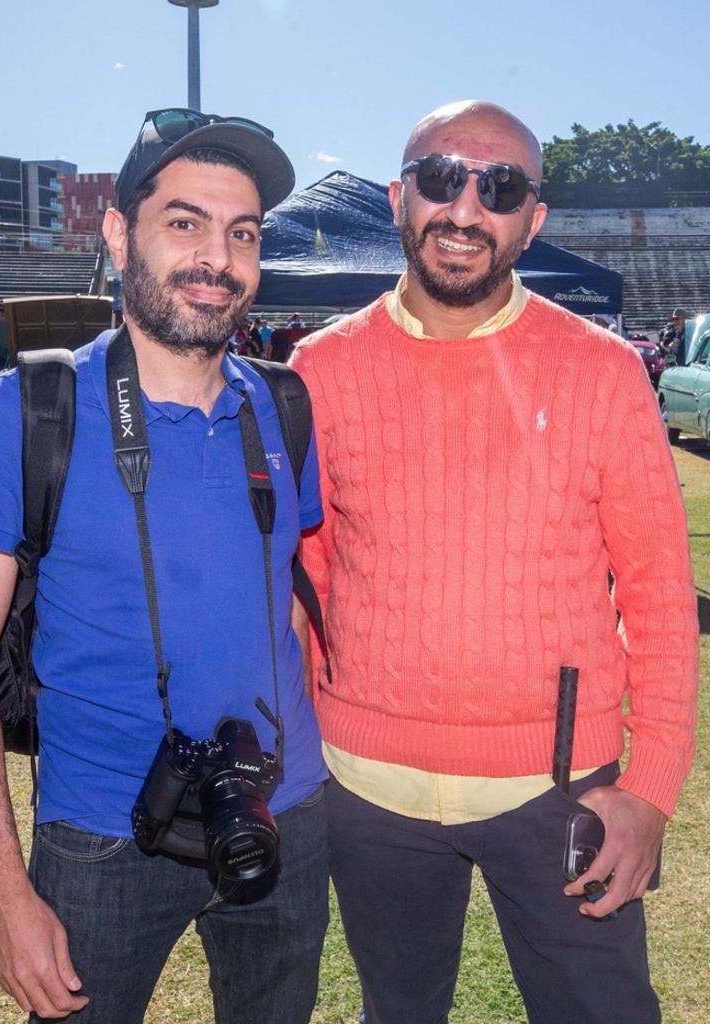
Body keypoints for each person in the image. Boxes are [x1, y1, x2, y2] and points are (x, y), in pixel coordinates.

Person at [290, 100, 698, 1024]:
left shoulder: (600, 369)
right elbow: (305, 583)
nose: (466, 208)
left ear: (532, 218)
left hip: (560, 791)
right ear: (400, 198)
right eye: (442, 178)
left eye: (500, 186)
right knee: (398, 1012)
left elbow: (661, 596)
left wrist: (652, 790)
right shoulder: (319, 367)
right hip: (366, 791)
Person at [0, 108, 329, 1024]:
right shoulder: (26, 410)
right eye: (185, 222)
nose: (217, 258)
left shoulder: (284, 404)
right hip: (99, 838)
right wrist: (3, 896)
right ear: (119, 235)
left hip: (286, 812)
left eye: (242, 233)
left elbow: (292, 600)